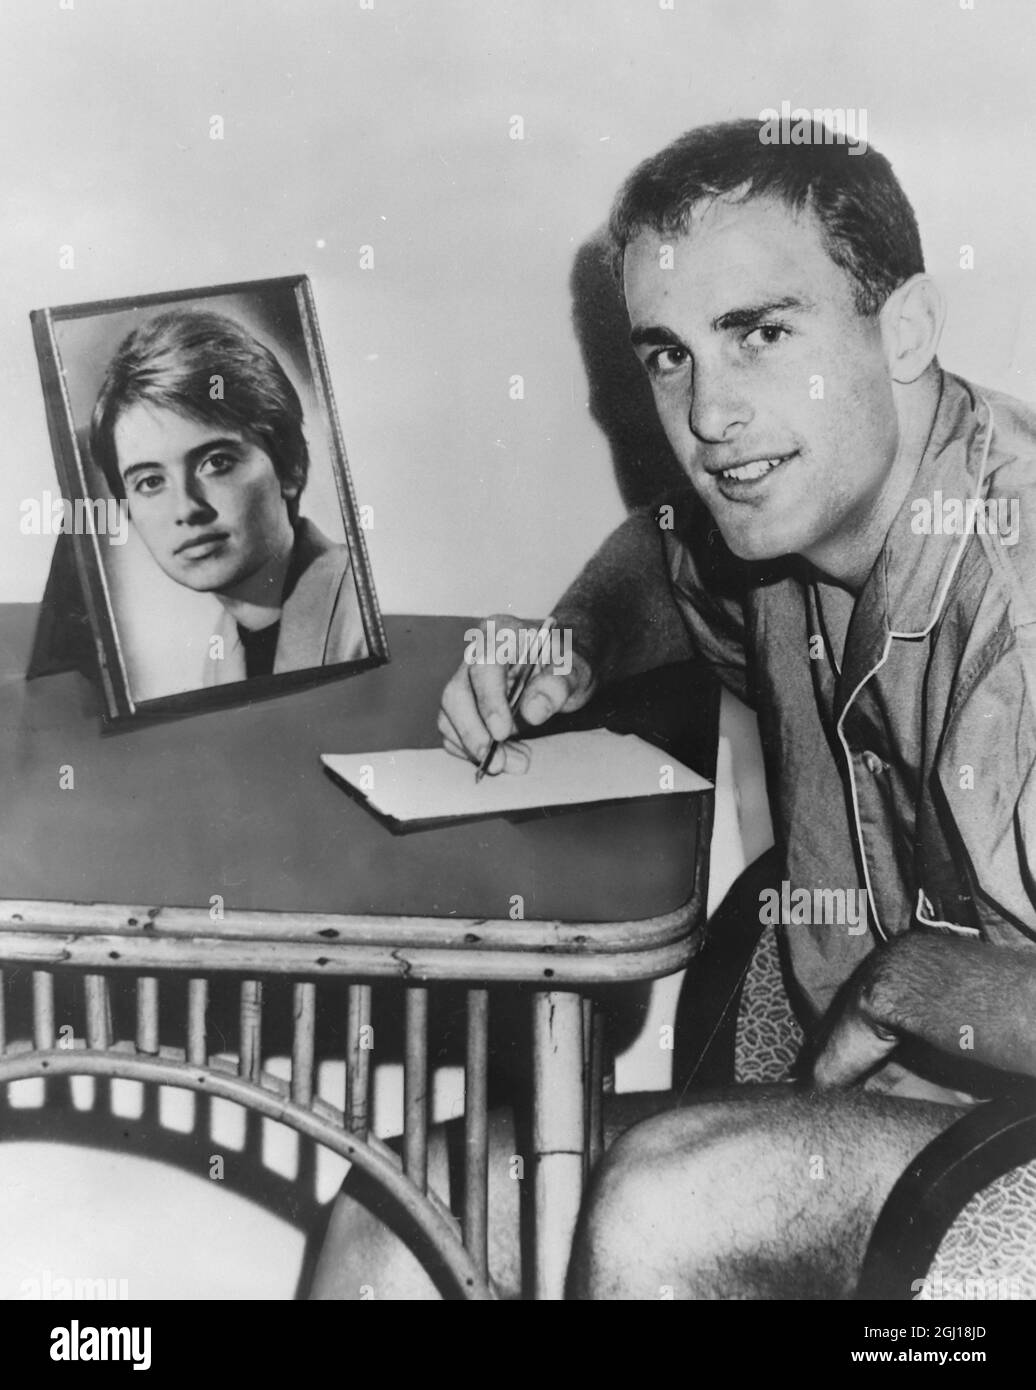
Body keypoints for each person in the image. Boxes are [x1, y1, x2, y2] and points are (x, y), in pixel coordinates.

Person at [311, 119, 1036, 1299]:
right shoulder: (800, 499)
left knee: (665, 1202)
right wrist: (578, 639)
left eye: (759, 333)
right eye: (668, 354)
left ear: (903, 328)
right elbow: (664, 552)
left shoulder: (1016, 610)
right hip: (892, 1111)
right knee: (404, 1204)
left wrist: (915, 981)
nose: (707, 415)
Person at [89, 309, 367, 685]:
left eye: (216, 462)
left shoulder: (364, 611)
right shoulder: (224, 653)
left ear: (290, 466)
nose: (187, 508)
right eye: (151, 482)